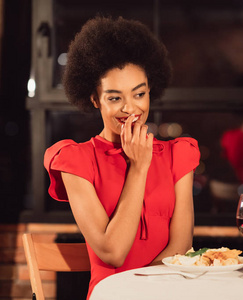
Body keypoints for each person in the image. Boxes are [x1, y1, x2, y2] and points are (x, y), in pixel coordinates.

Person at [43, 17, 200, 299]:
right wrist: (139, 167)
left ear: (151, 91)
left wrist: (144, 292)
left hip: (169, 293)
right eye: (115, 98)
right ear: (94, 99)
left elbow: (181, 245)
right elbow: (113, 252)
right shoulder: (75, 161)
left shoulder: (178, 155)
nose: (131, 108)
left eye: (139, 94)